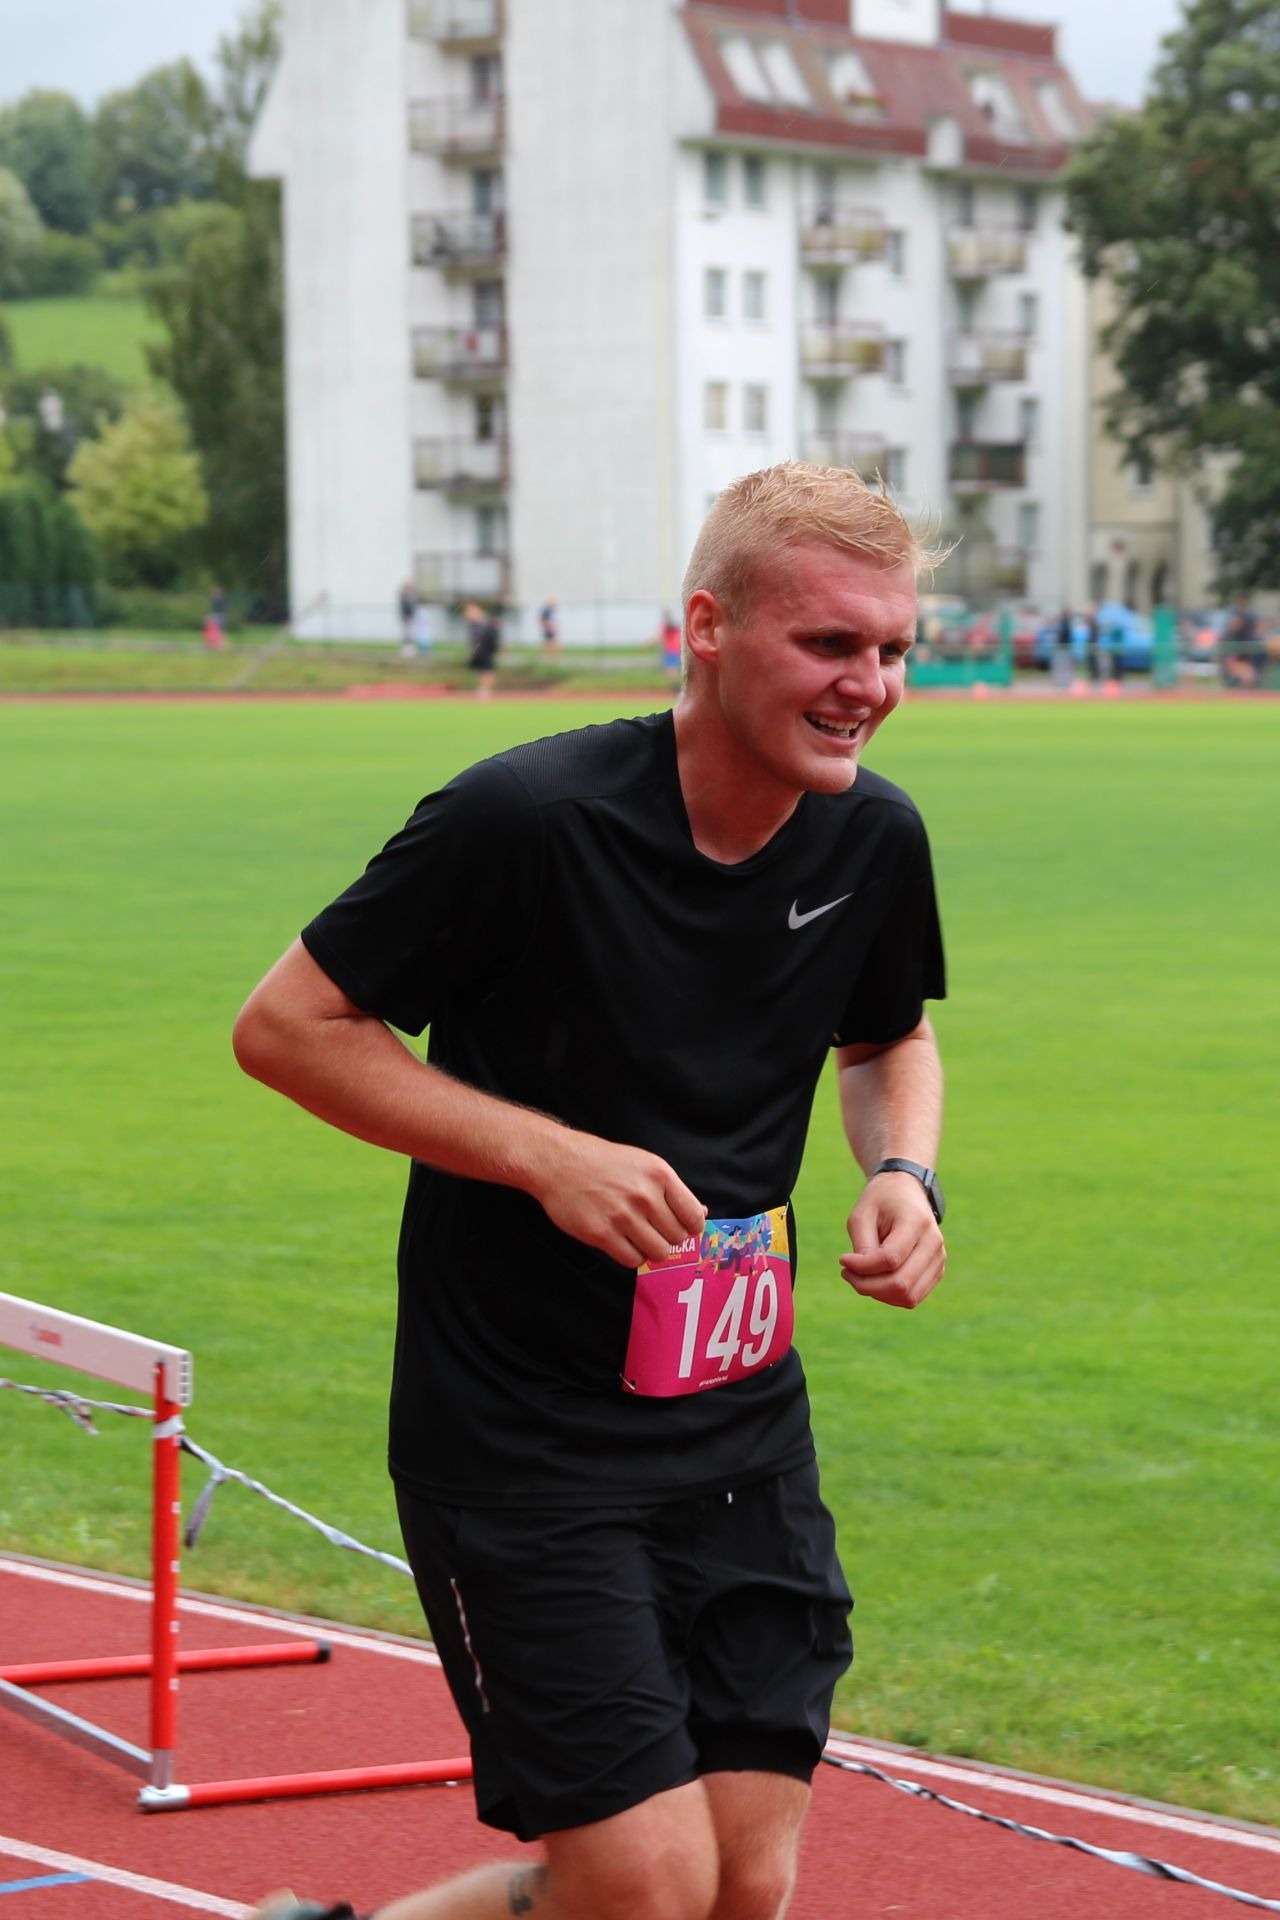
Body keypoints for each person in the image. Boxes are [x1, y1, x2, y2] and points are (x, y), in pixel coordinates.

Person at [234, 461, 948, 1920]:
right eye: (829, 643)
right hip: (523, 1439)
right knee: (641, 1885)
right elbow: (287, 1028)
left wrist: (903, 1171)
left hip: (741, 1432)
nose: (868, 687)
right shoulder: (524, 817)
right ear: (707, 627)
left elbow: (887, 1039)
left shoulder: (873, 837)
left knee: (742, 1884)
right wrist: (543, 1153)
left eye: (892, 650)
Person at [1222, 593, 1263, 690]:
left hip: (1245, 654)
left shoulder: (1249, 618)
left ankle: (1246, 686)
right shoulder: (1231, 634)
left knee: (1248, 673)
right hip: (1236, 655)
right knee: (1239, 671)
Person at [463, 598, 500, 698]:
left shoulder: (484, 621)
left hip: (484, 646)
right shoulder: (475, 623)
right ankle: (482, 689)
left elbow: (489, 634)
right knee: (481, 670)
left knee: (487, 670)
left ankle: (485, 690)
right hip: (479, 646)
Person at [658, 607, 682, 690]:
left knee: (670, 669)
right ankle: (675, 686)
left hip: (670, 650)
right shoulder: (673, 626)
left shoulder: (668, 626)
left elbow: (660, 637)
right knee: (671, 669)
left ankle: (675, 686)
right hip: (673, 649)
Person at [204, 585, 227, 650]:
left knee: (219, 630)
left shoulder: (220, 599)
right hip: (216, 615)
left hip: (219, 615)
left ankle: (222, 645)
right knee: (216, 630)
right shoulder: (215, 599)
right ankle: (215, 644)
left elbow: (222, 609)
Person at [398, 581, 419, 657]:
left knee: (411, 633)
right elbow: (404, 607)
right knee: (407, 633)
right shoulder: (403, 595)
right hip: (406, 616)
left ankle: (410, 649)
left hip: (411, 616)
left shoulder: (412, 595)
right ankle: (406, 650)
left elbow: (413, 606)